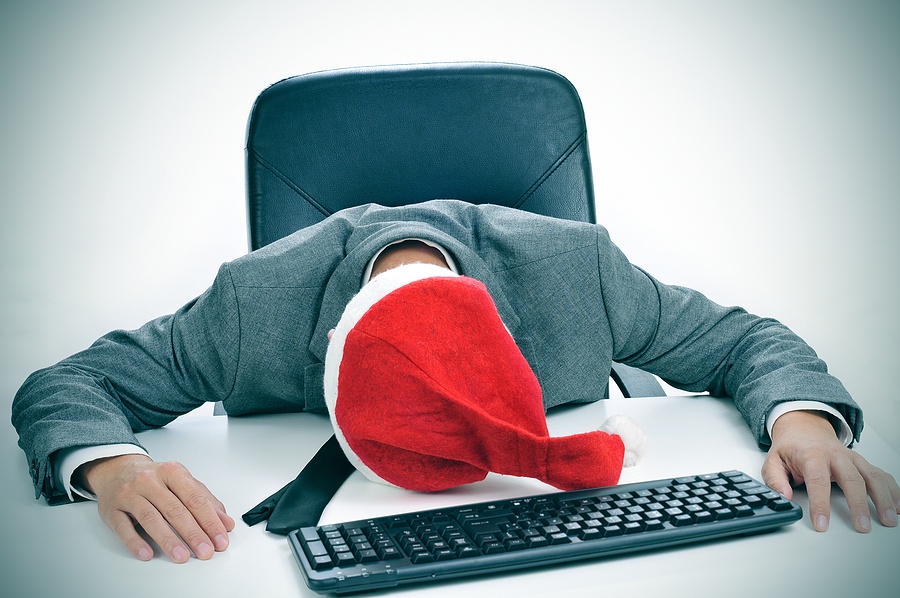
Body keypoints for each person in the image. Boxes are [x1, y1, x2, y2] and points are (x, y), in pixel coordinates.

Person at [11, 200, 899, 564]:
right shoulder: (253, 307)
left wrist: (805, 422)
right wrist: (112, 466)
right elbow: (70, 381)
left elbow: (744, 339)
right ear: (322, 349)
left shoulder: (578, 273)